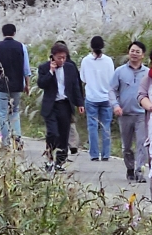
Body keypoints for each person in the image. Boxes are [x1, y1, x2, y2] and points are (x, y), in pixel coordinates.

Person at [37, 43, 85, 172]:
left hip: (65, 104)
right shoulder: (44, 67)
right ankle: (49, 158)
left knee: (64, 134)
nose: (62, 60)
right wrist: (51, 72)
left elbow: (75, 86)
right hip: (51, 105)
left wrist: (80, 103)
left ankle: (60, 161)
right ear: (53, 56)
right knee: (53, 133)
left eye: (64, 57)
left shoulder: (70, 68)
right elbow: (41, 84)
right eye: (59, 58)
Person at [0, 24, 30, 150]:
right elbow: (26, 67)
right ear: (14, 32)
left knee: (3, 114)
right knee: (15, 111)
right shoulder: (21, 47)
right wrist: (27, 84)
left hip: (0, 85)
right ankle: (18, 138)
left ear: (3, 33)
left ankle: (6, 143)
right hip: (17, 85)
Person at [109, 41, 149, 182]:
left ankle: (140, 171)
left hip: (142, 114)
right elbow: (112, 90)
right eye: (132, 51)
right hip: (124, 114)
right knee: (126, 146)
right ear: (128, 52)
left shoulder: (148, 73)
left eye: (138, 51)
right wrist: (115, 105)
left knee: (141, 144)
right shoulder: (120, 71)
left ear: (143, 55)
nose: (134, 54)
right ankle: (130, 168)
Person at [80, 36, 115, 161]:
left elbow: (83, 78)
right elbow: (112, 79)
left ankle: (94, 154)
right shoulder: (108, 61)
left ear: (91, 46)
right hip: (106, 97)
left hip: (91, 97)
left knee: (92, 126)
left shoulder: (85, 61)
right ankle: (106, 154)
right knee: (106, 126)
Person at [56, 40, 84, 155]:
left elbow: (77, 84)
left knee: (70, 122)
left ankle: (72, 144)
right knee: (66, 124)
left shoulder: (70, 66)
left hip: (69, 101)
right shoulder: (48, 66)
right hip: (56, 103)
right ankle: (69, 144)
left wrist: (79, 102)